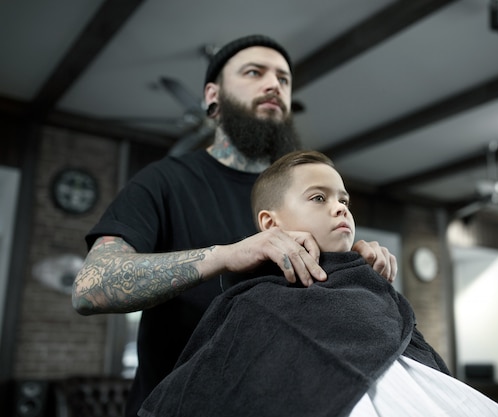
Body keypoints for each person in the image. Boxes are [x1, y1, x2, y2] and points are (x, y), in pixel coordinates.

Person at [72, 35, 397, 417]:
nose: (274, 84)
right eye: (254, 72)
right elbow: (91, 286)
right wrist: (226, 256)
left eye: (284, 79)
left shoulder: (302, 195)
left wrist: (351, 262)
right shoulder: (164, 181)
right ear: (213, 95)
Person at [137, 150, 498, 417]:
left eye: (344, 200)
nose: (340, 208)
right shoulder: (256, 303)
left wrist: (367, 283)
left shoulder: (369, 282)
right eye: (319, 198)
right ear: (270, 224)